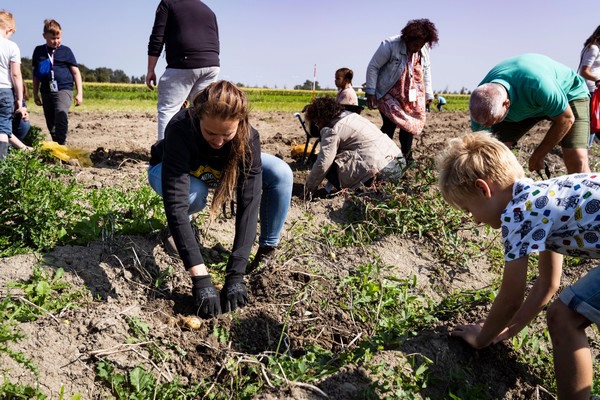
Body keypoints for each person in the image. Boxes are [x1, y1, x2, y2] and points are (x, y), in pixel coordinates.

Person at [437, 132, 600, 400]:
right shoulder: (546, 198)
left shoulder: (519, 214)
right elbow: (548, 283)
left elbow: (511, 299)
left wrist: (482, 337)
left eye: (468, 210)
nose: (475, 220)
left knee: (564, 318)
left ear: (483, 189)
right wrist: (509, 330)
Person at [147, 81, 293, 318]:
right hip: (169, 171)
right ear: (198, 117)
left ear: (240, 124)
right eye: (210, 133)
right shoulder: (180, 127)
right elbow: (176, 204)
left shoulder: (248, 138)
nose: (217, 142)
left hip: (217, 170)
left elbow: (248, 206)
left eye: (226, 134)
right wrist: (201, 279)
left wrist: (236, 274)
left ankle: (267, 250)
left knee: (280, 172)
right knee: (193, 194)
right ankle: (181, 233)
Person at [470, 53, 590, 175]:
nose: (490, 126)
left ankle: (586, 186)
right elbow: (483, 148)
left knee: (576, 158)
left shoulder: (538, 84)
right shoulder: (480, 100)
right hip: (526, 103)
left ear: (506, 104)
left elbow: (566, 119)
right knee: (493, 156)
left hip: (568, 94)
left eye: (494, 120)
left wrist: (539, 155)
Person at [365, 18, 438, 164]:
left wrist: (428, 93)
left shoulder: (424, 49)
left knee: (409, 127)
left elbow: (426, 70)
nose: (417, 48)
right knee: (389, 125)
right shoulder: (390, 45)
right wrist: (371, 91)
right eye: (415, 44)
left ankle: (407, 158)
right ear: (408, 39)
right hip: (389, 93)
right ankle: (381, 158)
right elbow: (373, 67)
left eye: (421, 45)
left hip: (411, 95)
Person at [146, 0, 220, 142]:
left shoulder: (168, 3)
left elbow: (157, 36)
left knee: (168, 109)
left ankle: (164, 151)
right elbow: (216, 40)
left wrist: (150, 69)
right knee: (200, 112)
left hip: (184, 61)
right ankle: (195, 151)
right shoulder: (208, 10)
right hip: (212, 64)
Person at [303, 97, 405, 195]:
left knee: (325, 164)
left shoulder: (331, 129)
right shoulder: (352, 116)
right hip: (398, 163)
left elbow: (323, 162)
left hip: (380, 171)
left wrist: (309, 188)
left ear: (317, 120)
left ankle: (352, 191)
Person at [31, 19, 83, 145]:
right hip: (46, 91)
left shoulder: (66, 51)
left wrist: (79, 93)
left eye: (58, 38)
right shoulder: (39, 51)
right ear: (44, 36)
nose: (56, 41)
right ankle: (56, 145)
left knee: (61, 113)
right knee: (50, 120)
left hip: (64, 89)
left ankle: (62, 143)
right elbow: (36, 75)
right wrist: (35, 94)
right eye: (52, 38)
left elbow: (76, 72)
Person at [0, 10, 29, 160]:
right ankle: (2, 164)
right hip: (4, 90)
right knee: (3, 128)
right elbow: (16, 74)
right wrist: (19, 100)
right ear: (9, 29)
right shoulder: (11, 46)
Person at [577, 25, 600, 146]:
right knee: (592, 121)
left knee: (595, 121)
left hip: (595, 89)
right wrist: (597, 80)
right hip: (591, 90)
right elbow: (584, 71)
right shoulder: (593, 48)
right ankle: (586, 148)